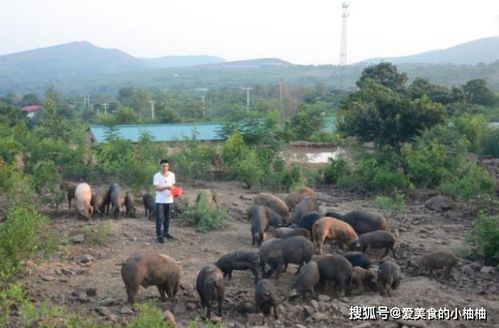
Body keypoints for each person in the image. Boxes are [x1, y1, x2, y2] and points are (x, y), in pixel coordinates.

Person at [153, 159, 176, 243]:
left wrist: (174, 191)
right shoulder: (156, 176)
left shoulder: (172, 175)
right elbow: (156, 188)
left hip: (169, 200)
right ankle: (159, 235)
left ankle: (166, 233)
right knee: (159, 218)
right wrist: (166, 187)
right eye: (163, 166)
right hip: (160, 200)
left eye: (166, 166)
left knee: (167, 218)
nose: (165, 168)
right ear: (160, 166)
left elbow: (173, 186)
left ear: (168, 166)